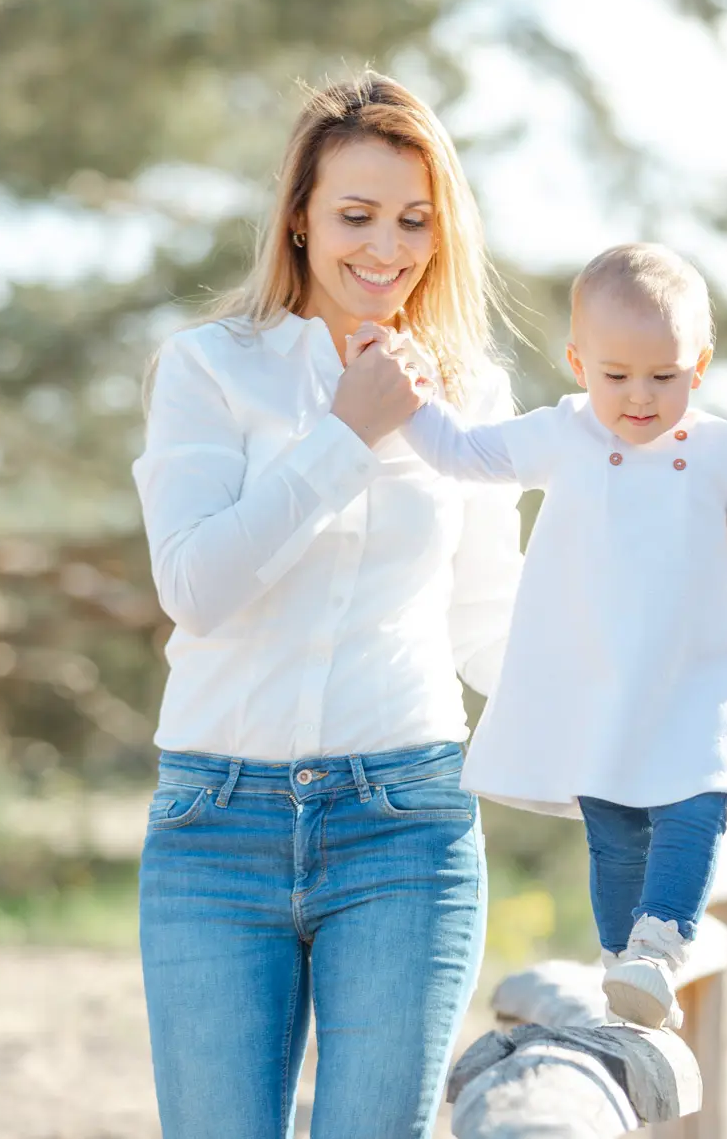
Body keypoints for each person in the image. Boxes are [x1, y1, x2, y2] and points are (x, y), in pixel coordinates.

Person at [131, 72, 520, 1138]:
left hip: (405, 821)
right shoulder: (208, 369)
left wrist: (637, 752)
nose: (385, 250)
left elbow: (488, 627)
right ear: (298, 218)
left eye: (412, 221)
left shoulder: (472, 396)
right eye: (355, 216)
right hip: (216, 823)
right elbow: (197, 586)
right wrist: (346, 432)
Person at [387, 242, 727, 1029]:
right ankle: (620, 967)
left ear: (698, 367)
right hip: (598, 678)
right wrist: (406, 400)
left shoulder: (715, 448)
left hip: (699, 676)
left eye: (663, 376)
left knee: (696, 805)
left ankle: (660, 943)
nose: (639, 396)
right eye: (616, 375)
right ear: (578, 363)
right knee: (613, 829)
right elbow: (462, 454)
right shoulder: (561, 434)